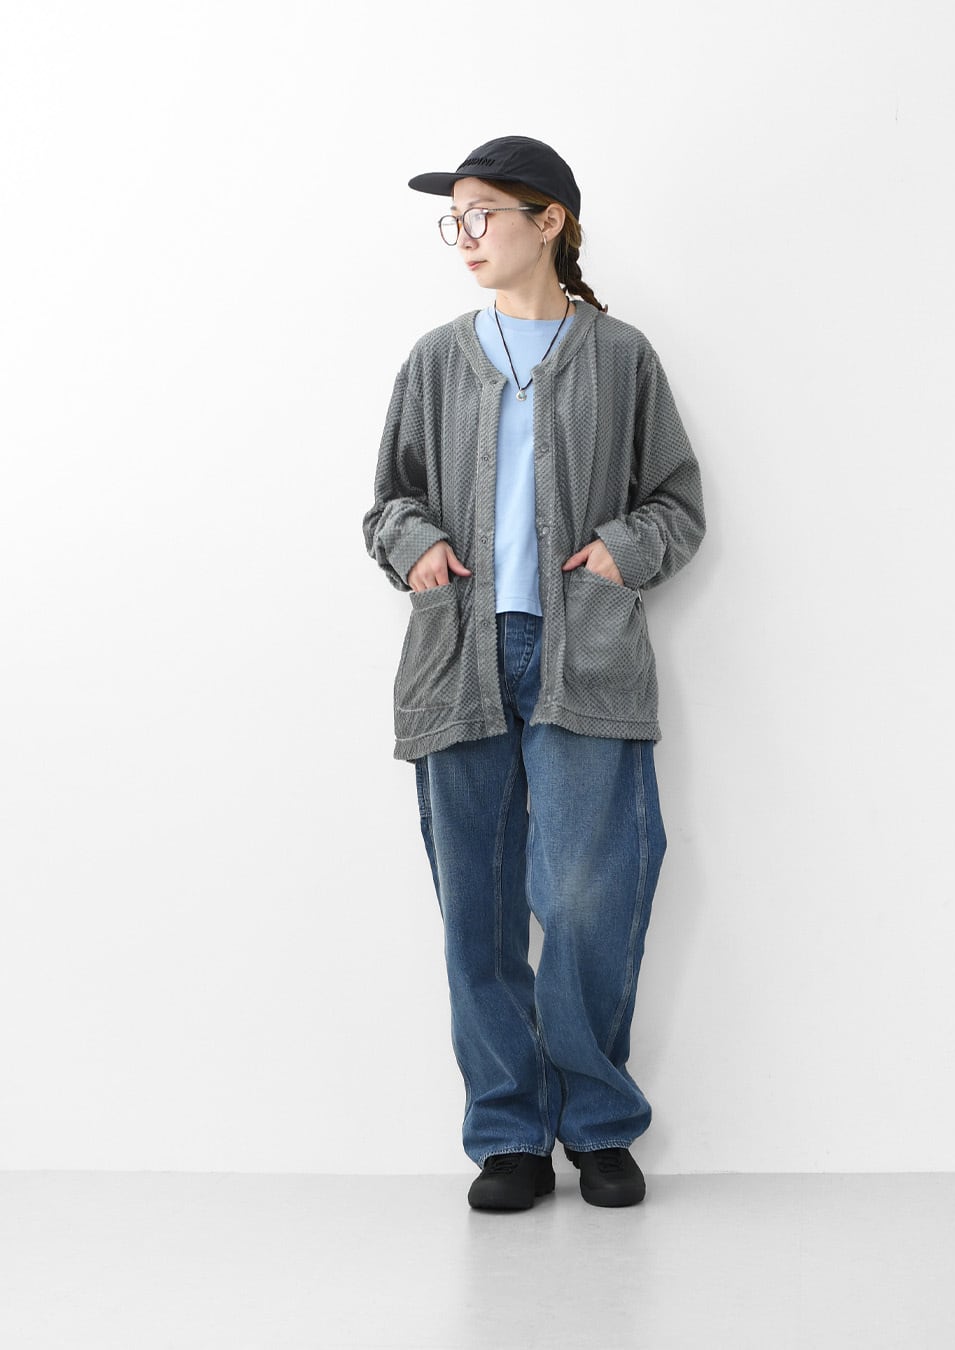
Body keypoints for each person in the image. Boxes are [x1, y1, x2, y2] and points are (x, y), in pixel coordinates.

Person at [363, 135, 705, 1211]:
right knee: (478, 906)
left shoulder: (621, 358)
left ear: (548, 220)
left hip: (584, 654)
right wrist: (415, 543)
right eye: (453, 221)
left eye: (483, 215)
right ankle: (509, 1134)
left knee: (591, 893)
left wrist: (621, 553)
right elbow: (387, 502)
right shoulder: (434, 360)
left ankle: (597, 1123)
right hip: (458, 654)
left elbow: (675, 502)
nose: (464, 237)